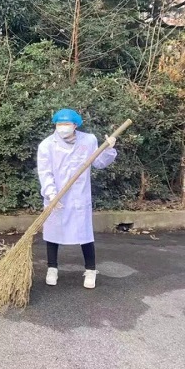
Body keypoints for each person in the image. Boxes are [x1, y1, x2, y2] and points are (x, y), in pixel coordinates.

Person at [36, 108, 117, 289]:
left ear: (75, 125)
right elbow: (45, 172)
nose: (62, 127)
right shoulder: (47, 145)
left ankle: (90, 270)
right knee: (53, 232)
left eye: (66, 124)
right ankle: (52, 268)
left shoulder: (88, 140)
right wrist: (51, 194)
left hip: (79, 197)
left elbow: (99, 163)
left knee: (84, 233)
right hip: (56, 196)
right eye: (59, 124)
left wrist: (108, 149)